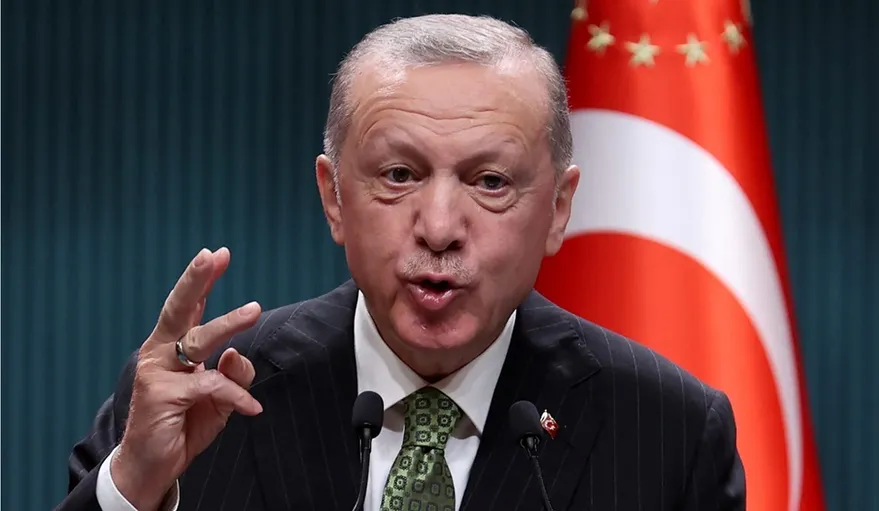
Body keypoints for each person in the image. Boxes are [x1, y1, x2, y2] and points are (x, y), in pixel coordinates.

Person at [56, 13, 745, 511]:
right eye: (398, 174)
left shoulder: (668, 433)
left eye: (490, 182)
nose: (439, 228)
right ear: (333, 197)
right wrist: (133, 488)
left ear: (558, 208)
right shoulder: (199, 396)